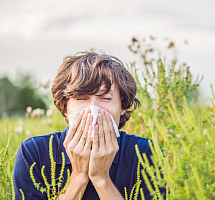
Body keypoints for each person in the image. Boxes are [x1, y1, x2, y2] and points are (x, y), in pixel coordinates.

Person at [13, 51, 165, 199]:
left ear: (123, 106)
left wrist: (101, 179)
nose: (93, 110)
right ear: (65, 107)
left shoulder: (145, 153)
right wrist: (79, 176)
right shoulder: (34, 153)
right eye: (81, 98)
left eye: (105, 98)